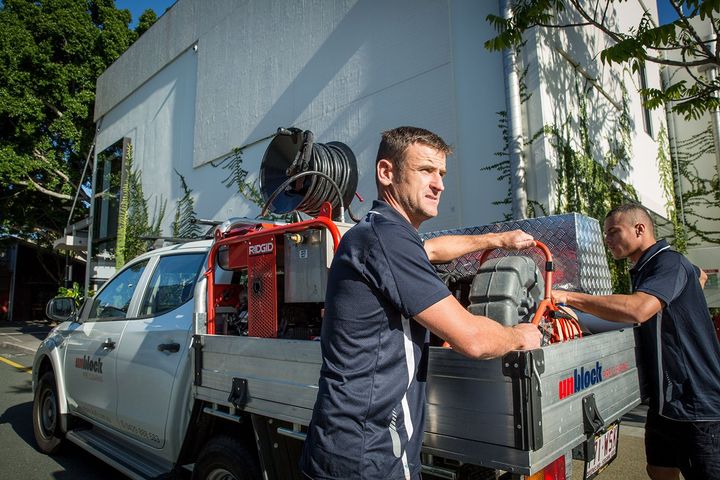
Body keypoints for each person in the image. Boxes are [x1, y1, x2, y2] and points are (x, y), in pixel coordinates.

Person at [300, 126, 542, 480]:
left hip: (348, 445)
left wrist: (497, 238)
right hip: (370, 455)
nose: (439, 184)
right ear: (387, 172)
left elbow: (431, 249)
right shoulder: (386, 239)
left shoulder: (380, 233)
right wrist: (521, 335)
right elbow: (472, 339)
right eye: (426, 170)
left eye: (441, 173)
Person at [552, 203, 720, 480]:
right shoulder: (649, 268)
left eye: (613, 232)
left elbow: (636, 309)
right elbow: (696, 276)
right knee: (658, 470)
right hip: (665, 403)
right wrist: (575, 317)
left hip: (697, 404)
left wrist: (568, 297)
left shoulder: (668, 262)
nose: (607, 241)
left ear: (639, 229)